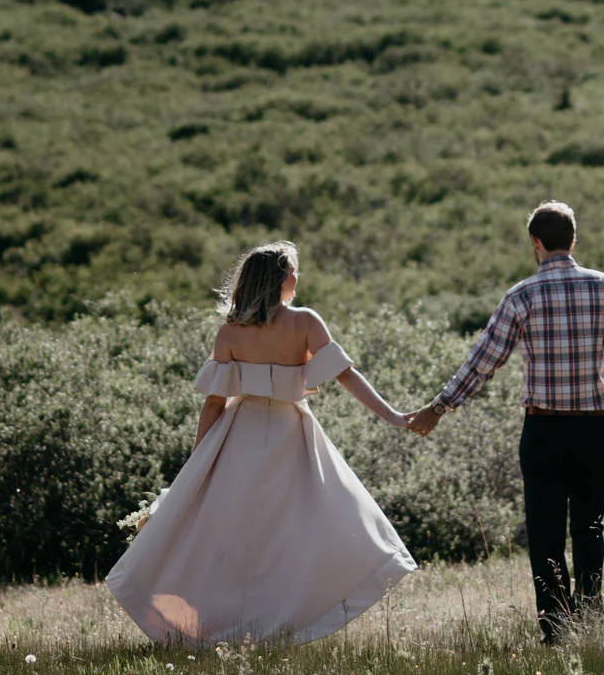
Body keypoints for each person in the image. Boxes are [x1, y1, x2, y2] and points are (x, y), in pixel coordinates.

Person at [107, 239, 417, 646]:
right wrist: (392, 415)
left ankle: (228, 626)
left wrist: (199, 464)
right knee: (297, 533)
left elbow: (214, 404)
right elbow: (346, 375)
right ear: (277, 279)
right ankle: (279, 624)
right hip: (291, 435)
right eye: (292, 270)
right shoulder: (305, 322)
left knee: (230, 537)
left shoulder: (231, 332)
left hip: (238, 435)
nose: (297, 277)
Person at [409, 200, 604, 642]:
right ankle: (591, 620)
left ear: (535, 243)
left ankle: (556, 631)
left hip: (544, 431)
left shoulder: (521, 296)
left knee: (546, 534)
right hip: (593, 426)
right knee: (590, 526)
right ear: (573, 239)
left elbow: (483, 363)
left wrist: (438, 408)